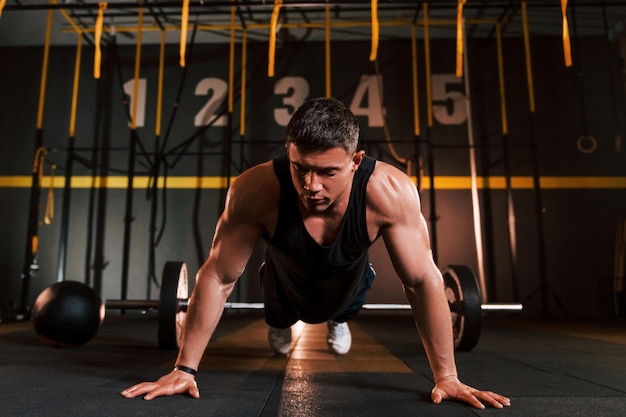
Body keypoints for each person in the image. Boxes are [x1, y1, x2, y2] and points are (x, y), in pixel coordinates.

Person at [121, 97, 511, 409]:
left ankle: (337, 320)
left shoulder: (389, 192)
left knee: (341, 306)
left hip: (350, 281)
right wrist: (184, 368)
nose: (312, 186)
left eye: (328, 172)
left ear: (356, 161)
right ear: (288, 152)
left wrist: (447, 376)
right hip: (280, 282)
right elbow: (219, 276)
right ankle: (280, 323)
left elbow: (423, 279)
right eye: (300, 168)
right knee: (280, 311)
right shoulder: (255, 190)